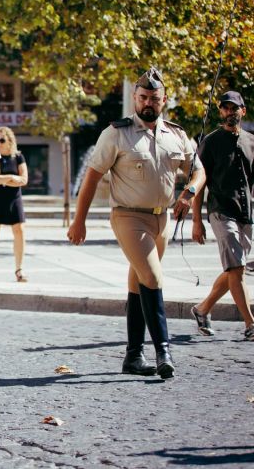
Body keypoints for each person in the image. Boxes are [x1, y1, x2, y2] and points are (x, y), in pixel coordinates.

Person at [68, 67, 204, 379]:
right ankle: (163, 350)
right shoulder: (116, 133)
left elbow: (199, 170)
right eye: (142, 97)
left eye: (154, 98)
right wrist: (79, 220)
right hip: (128, 216)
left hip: (162, 218)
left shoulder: (177, 135)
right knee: (153, 277)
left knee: (137, 282)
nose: (148, 103)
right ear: (134, 98)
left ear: (164, 100)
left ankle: (132, 355)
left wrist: (190, 192)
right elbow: (91, 177)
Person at [189, 91, 254, 341]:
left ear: (243, 111)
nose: (229, 112)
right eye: (225, 108)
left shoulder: (251, 141)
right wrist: (196, 222)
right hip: (220, 211)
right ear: (221, 112)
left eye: (234, 108)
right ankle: (250, 324)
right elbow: (199, 183)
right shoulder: (210, 142)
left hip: (245, 213)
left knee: (233, 270)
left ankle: (202, 309)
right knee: (236, 267)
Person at [0, 126, 29, 282]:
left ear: (10, 140)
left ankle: (19, 269)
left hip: (14, 199)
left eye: (1, 140)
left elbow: (23, 180)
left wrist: (1, 179)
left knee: (19, 231)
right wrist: (10, 177)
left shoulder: (18, 157)